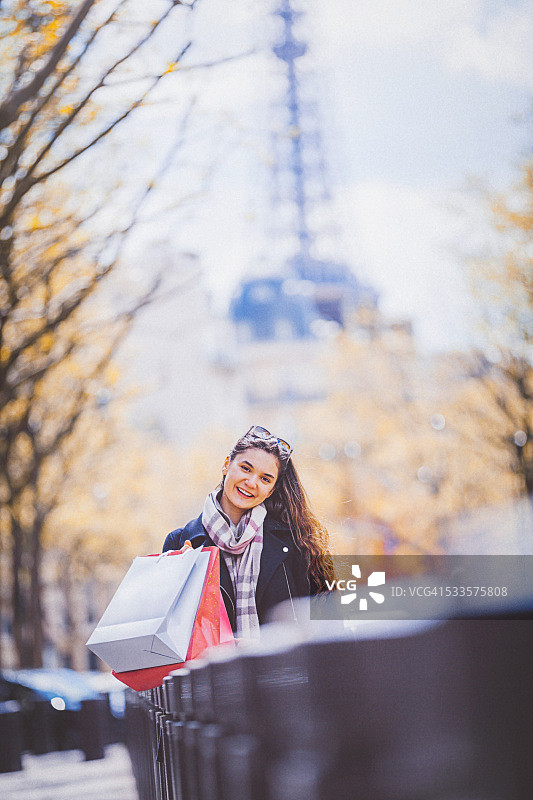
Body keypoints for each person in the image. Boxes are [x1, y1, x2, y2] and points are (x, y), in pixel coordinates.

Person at [163, 425, 333, 639]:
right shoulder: (181, 543)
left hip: (283, 671)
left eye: (265, 479)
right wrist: (185, 576)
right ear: (227, 465)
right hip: (213, 670)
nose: (251, 482)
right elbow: (169, 629)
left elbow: (325, 624)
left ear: (271, 490)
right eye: (246, 468)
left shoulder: (295, 543)